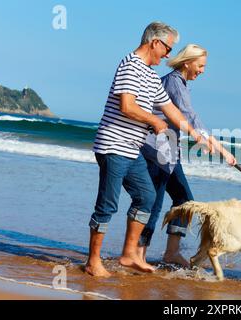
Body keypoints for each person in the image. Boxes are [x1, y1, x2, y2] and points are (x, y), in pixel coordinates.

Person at [85, 22, 207, 277]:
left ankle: (129, 255)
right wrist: (153, 121)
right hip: (113, 146)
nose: (168, 55)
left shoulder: (151, 76)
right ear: (154, 43)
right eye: (168, 48)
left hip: (133, 150)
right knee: (107, 205)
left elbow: (170, 109)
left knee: (147, 197)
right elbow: (127, 106)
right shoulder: (130, 66)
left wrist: (195, 134)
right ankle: (92, 262)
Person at [137, 44, 237, 267]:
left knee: (185, 202)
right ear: (187, 63)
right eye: (200, 66)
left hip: (170, 152)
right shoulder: (174, 83)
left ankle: (171, 253)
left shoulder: (179, 83)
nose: (202, 70)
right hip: (157, 151)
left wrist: (223, 152)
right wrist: (222, 151)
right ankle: (138, 255)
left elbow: (193, 121)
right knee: (154, 203)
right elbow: (191, 119)